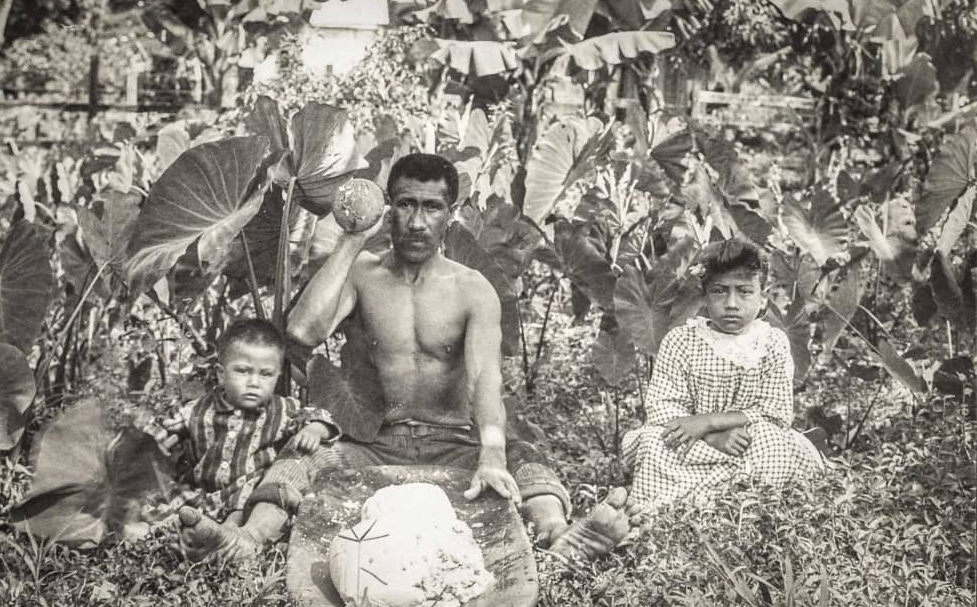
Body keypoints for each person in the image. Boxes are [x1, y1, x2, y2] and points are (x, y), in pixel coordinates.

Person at [178, 153, 631, 562]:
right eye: (406, 204)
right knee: (298, 462)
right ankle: (247, 540)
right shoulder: (361, 274)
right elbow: (301, 332)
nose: (417, 222)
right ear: (388, 208)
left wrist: (491, 453)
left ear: (450, 215)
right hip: (374, 443)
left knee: (525, 459)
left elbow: (486, 378)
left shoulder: (472, 289)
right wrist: (353, 240)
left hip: (455, 442)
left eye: (431, 207)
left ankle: (559, 534)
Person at [621, 238, 826, 511]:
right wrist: (709, 435)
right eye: (719, 291)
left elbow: (775, 411)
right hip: (692, 442)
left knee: (774, 443)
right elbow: (662, 407)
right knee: (653, 445)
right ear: (704, 297)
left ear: (762, 296)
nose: (732, 304)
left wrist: (711, 421)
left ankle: (739, 508)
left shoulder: (771, 341)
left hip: (748, 441)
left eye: (744, 292)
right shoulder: (681, 340)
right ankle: (668, 512)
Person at [136, 318, 340, 540]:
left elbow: (319, 415)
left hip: (246, 500)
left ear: (278, 375)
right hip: (200, 494)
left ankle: (228, 534)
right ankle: (169, 529)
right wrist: (155, 440)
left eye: (266, 374)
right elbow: (154, 435)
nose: (254, 382)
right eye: (243, 371)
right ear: (221, 374)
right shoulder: (196, 410)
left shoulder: (282, 409)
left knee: (258, 492)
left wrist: (316, 429)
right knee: (159, 497)